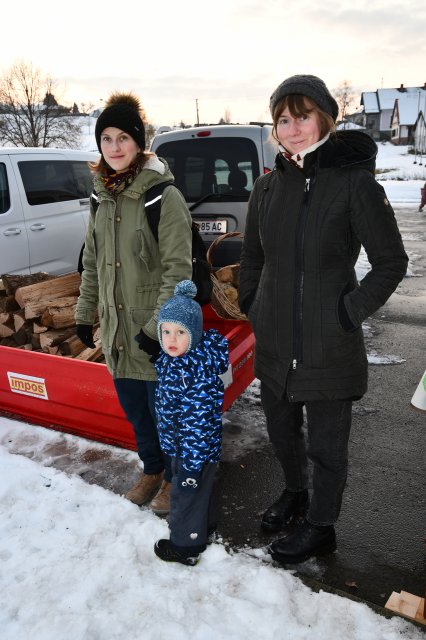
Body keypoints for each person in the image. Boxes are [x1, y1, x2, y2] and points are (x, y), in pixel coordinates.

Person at [238, 74, 408, 565]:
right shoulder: (268, 188)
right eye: (283, 120)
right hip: (273, 340)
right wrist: (255, 304)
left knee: (328, 447)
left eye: (302, 116)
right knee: (282, 431)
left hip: (328, 343)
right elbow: (252, 256)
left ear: (325, 118)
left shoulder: (354, 184)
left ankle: (321, 524)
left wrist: (347, 312)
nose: (292, 129)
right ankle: (294, 493)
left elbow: (391, 262)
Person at [75, 92, 193, 515]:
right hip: (117, 329)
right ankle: (152, 469)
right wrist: (84, 313)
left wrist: (155, 331)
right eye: (106, 138)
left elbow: (178, 274)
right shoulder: (99, 197)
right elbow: (92, 263)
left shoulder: (163, 197)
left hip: (153, 333)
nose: (115, 147)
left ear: (139, 142)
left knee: (166, 415)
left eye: (124, 137)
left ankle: (176, 478)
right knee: (136, 413)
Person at [152, 280, 229, 566]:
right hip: (185, 446)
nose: (172, 339)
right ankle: (203, 528)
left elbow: (196, 422)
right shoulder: (178, 361)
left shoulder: (195, 375)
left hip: (192, 452)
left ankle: (185, 547)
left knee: (186, 494)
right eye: (166, 331)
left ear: (194, 333)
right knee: (200, 492)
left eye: (181, 332)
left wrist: (191, 465)